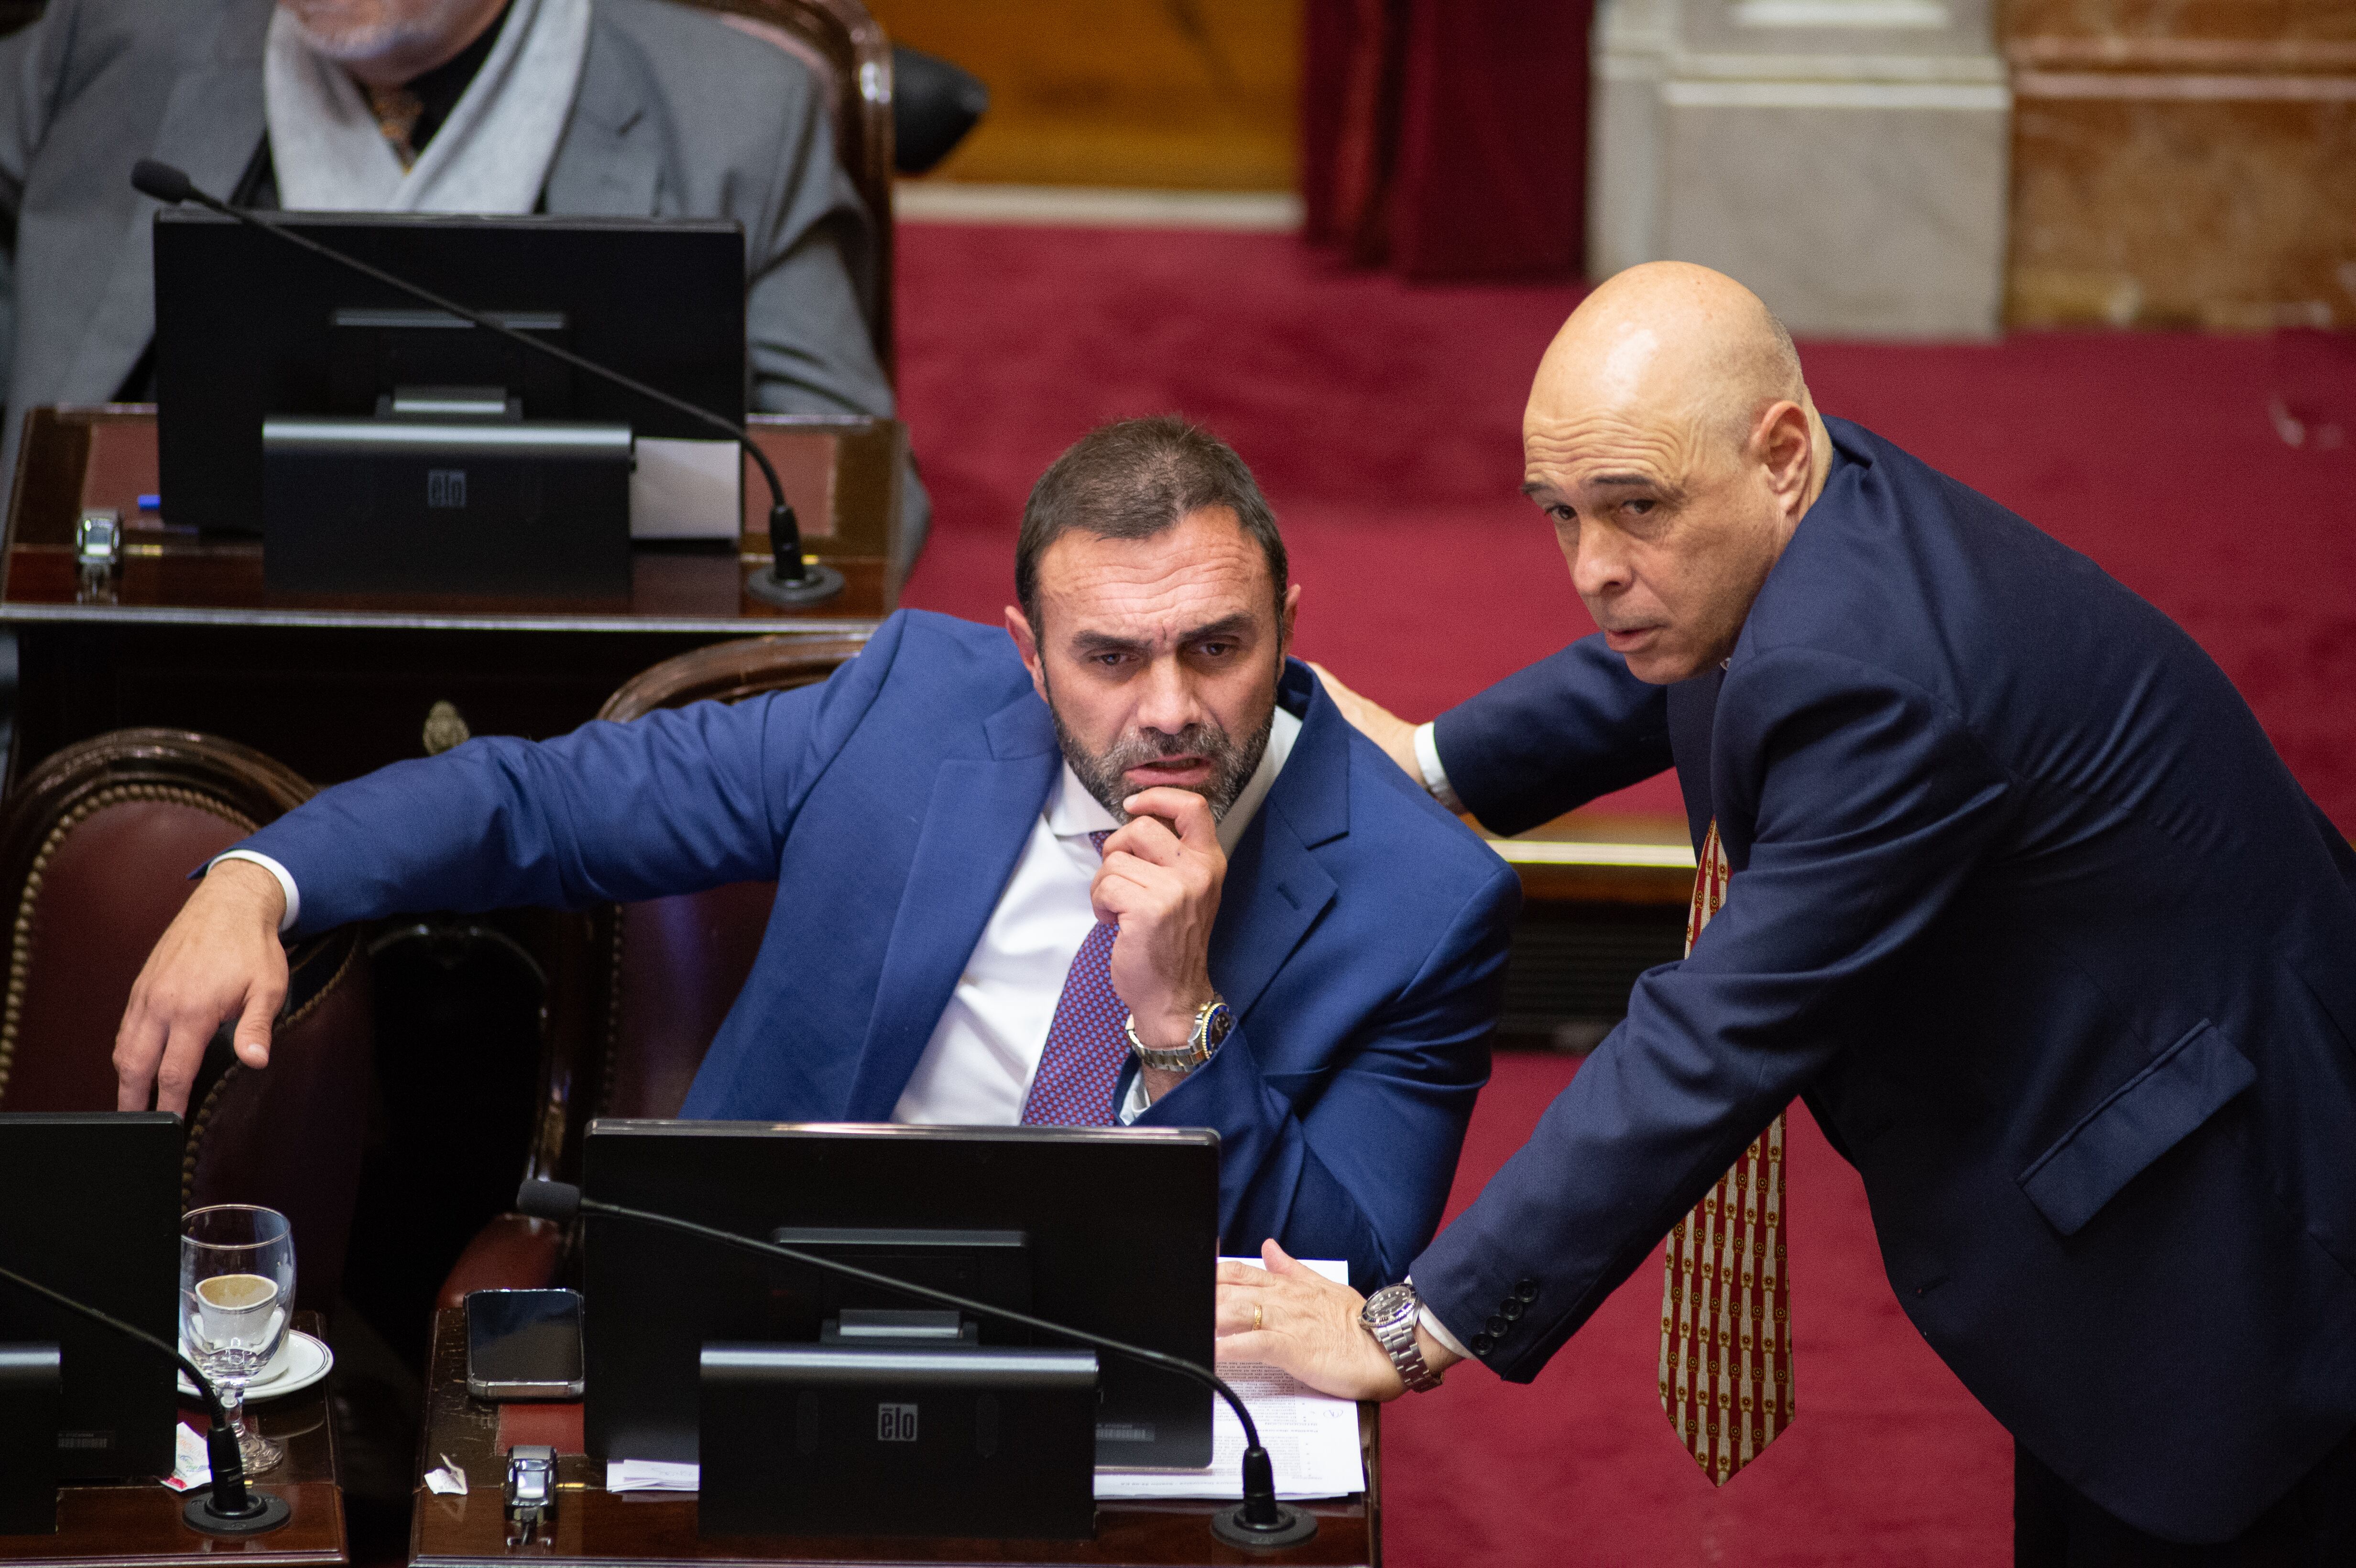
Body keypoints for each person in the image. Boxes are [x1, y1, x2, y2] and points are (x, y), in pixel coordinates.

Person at [1217, 263, 2356, 1561]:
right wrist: (1442, 763)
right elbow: (1671, 650)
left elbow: (1716, 1039)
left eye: (1633, 509)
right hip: (2164, 1103)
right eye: (1560, 514)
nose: (1594, 570)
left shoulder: (1880, 682)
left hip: (2238, 1228)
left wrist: (1404, 1331)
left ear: (1782, 450)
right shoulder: (1794, 521)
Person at [113, 415, 1519, 1288]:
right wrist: (261, 876)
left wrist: (1179, 1025)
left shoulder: (1425, 900)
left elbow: (1364, 1284)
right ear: (1028, 657)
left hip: (1150, 1375)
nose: (1168, 708)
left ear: (1287, 619)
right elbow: (542, 804)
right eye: (1111, 657)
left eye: (1218, 648)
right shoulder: (911, 706)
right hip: (782, 1290)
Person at [0, 0, 927, 553]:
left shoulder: (737, 110)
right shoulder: (109, 45)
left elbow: (854, 496)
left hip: (572, 724)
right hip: (153, 685)